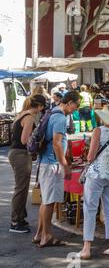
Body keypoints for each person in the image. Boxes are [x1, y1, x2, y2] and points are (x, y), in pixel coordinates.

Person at [78, 105, 109, 260]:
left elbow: (91, 156)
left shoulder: (98, 130)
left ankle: (86, 248)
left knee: (90, 209)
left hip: (97, 173)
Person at [33, 91, 81, 248]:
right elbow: (57, 143)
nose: (77, 109)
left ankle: (40, 234)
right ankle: (46, 236)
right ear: (69, 102)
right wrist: (64, 165)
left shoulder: (53, 112)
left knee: (46, 201)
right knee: (50, 202)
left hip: (46, 162)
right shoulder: (60, 117)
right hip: (52, 164)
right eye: (77, 105)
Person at [8, 95, 46, 233]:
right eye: (43, 107)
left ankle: (20, 219)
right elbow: (25, 140)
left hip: (15, 153)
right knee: (21, 188)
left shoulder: (21, 114)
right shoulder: (29, 117)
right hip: (21, 154)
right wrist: (38, 143)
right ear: (40, 106)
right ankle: (16, 221)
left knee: (22, 188)